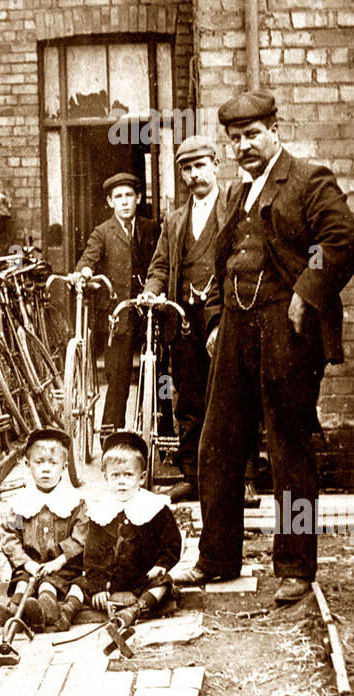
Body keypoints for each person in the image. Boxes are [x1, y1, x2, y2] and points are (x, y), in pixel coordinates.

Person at [174, 90, 354, 603]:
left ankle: (296, 567)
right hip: (235, 328)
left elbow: (340, 240)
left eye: (252, 135)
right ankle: (217, 557)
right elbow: (219, 259)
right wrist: (214, 320)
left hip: (286, 331)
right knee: (217, 443)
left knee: (287, 451)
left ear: (275, 129)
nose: (244, 147)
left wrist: (306, 292)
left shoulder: (307, 180)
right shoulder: (237, 194)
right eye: (235, 139)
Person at [140, 134, 233, 503]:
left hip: (225, 316)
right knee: (189, 399)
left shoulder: (233, 207)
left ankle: (238, 478)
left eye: (199, 166)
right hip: (184, 322)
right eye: (187, 169)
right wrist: (152, 288)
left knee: (231, 396)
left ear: (215, 165)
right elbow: (160, 264)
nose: (194, 175)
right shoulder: (176, 219)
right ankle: (193, 476)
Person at [73, 173, 158, 432]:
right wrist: (85, 271)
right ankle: (111, 434)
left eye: (129, 196)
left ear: (139, 198)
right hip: (118, 315)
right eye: (118, 197)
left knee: (157, 372)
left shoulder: (151, 228)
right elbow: (88, 259)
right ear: (110, 202)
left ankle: (161, 435)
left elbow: (162, 260)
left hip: (148, 310)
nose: (124, 202)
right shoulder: (103, 232)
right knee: (118, 375)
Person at [81, 431, 183, 641]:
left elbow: (171, 544)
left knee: (163, 583)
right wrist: (99, 587)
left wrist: (160, 566)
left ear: (142, 477)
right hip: (112, 583)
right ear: (106, 477)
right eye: (115, 476)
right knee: (78, 584)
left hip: (142, 579)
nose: (121, 482)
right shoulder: (101, 511)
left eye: (128, 475)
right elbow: (92, 554)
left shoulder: (155, 507)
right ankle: (65, 612)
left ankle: (136, 609)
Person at [0, 426, 88, 632]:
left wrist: (59, 561)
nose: (46, 469)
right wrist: (27, 564)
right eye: (39, 462)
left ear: (64, 466)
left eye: (53, 463)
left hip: (61, 568)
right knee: (22, 584)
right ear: (28, 464)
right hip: (30, 566)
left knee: (47, 585)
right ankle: (14, 610)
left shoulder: (74, 502)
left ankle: (46, 609)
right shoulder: (20, 503)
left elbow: (81, 536)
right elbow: (10, 537)